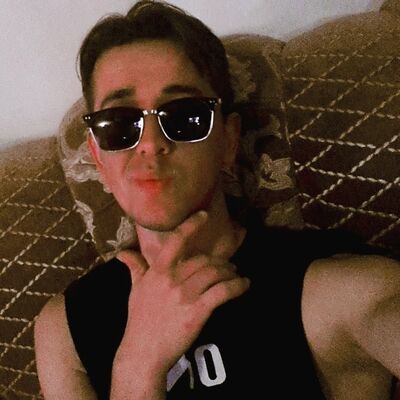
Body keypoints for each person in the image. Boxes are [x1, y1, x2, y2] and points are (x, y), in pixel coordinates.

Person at [34, 1, 400, 399]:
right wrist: (137, 366)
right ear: (98, 158)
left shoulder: (337, 292)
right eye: (119, 124)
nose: (151, 144)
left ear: (227, 141)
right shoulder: (64, 330)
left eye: (185, 116)